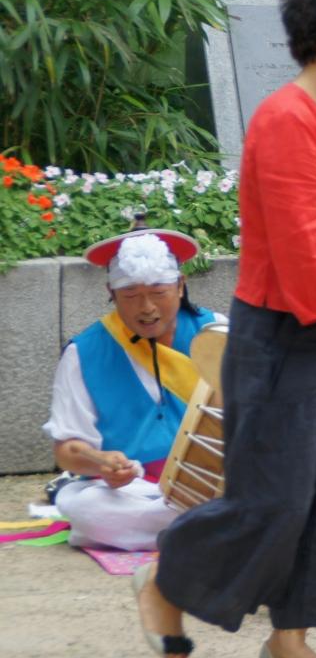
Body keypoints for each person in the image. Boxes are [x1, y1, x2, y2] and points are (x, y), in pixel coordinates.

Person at [132, 0, 316, 658]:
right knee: (273, 497)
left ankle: (288, 639)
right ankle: (167, 577)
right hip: (284, 334)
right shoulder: (285, 119)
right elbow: (302, 247)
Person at [43, 226, 221, 552]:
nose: (146, 307)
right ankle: (211, 530)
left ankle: (196, 528)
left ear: (180, 286)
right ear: (111, 293)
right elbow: (68, 448)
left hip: (212, 481)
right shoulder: (84, 353)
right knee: (88, 508)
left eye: (159, 293)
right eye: (130, 296)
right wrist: (100, 463)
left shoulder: (217, 335)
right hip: (132, 491)